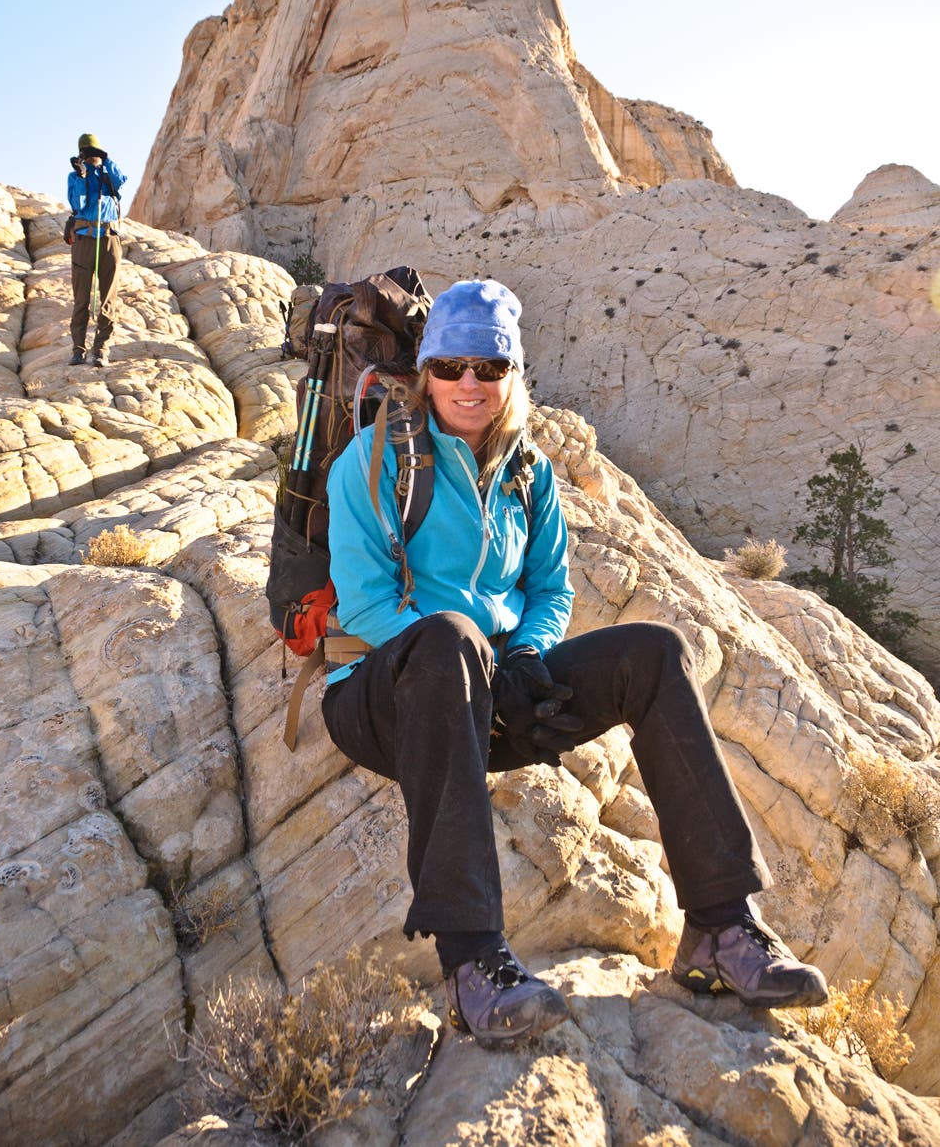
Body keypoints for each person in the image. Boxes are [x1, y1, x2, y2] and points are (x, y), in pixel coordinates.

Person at [322, 279, 828, 1048]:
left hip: (487, 690)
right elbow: (364, 605)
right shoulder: (373, 459)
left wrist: (523, 659)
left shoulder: (529, 473)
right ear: (426, 371)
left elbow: (549, 588)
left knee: (654, 654)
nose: (469, 384)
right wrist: (477, 667)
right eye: (453, 365)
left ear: (510, 378)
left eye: (488, 369)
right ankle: (472, 965)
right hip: (385, 696)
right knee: (452, 637)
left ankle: (720, 930)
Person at [66, 133, 127, 367]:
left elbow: (120, 181)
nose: (91, 157)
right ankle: (78, 350)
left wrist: (106, 160)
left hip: (109, 239)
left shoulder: (108, 175)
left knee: (108, 299)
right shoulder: (75, 177)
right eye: (87, 154)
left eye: (94, 153)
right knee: (81, 299)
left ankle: (101, 349)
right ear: (80, 156)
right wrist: (82, 176)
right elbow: (78, 204)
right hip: (84, 240)